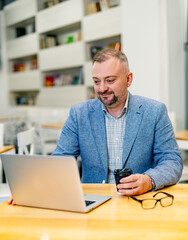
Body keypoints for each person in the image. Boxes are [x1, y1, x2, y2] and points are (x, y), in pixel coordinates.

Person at [8, 49, 183, 204]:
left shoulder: (154, 111)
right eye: (97, 81)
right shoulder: (79, 114)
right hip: (91, 200)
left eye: (110, 80)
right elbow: (59, 161)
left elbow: (172, 161)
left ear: (129, 79)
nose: (102, 88)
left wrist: (150, 180)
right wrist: (30, 190)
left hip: (138, 201)